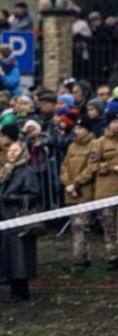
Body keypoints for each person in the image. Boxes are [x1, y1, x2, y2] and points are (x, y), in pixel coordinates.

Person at [0, 141, 40, 301]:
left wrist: (12, 198)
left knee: (20, 256)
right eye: (10, 150)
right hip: (6, 218)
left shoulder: (27, 171)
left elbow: (34, 194)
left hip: (19, 219)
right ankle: (14, 289)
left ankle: (21, 291)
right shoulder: (8, 170)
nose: (12, 153)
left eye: (16, 150)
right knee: (10, 255)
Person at [57, 110, 99, 269]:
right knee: (76, 225)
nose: (77, 131)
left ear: (87, 129)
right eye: (76, 128)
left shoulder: (94, 144)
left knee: (81, 225)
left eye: (81, 128)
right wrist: (67, 183)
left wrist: (77, 183)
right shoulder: (72, 146)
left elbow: (91, 167)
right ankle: (83, 257)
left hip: (84, 192)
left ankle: (80, 259)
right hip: (71, 193)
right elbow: (64, 166)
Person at [92, 116, 118, 269]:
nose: (116, 125)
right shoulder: (99, 142)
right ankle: (112, 256)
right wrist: (110, 167)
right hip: (106, 191)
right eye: (114, 121)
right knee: (109, 226)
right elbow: (93, 165)